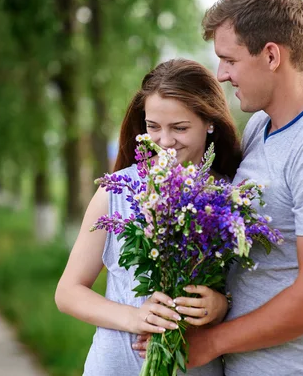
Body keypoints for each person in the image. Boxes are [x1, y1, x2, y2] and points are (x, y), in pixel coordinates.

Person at [137, 0, 303, 376]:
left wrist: (212, 342)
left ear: (270, 56)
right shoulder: (261, 126)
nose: (222, 74)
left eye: (229, 60)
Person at [55, 58, 242, 375]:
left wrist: (221, 305)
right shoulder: (117, 191)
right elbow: (68, 293)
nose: (165, 142)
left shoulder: (230, 197)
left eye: (179, 128)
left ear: (210, 122)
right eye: (153, 127)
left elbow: (249, 288)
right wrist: (135, 317)